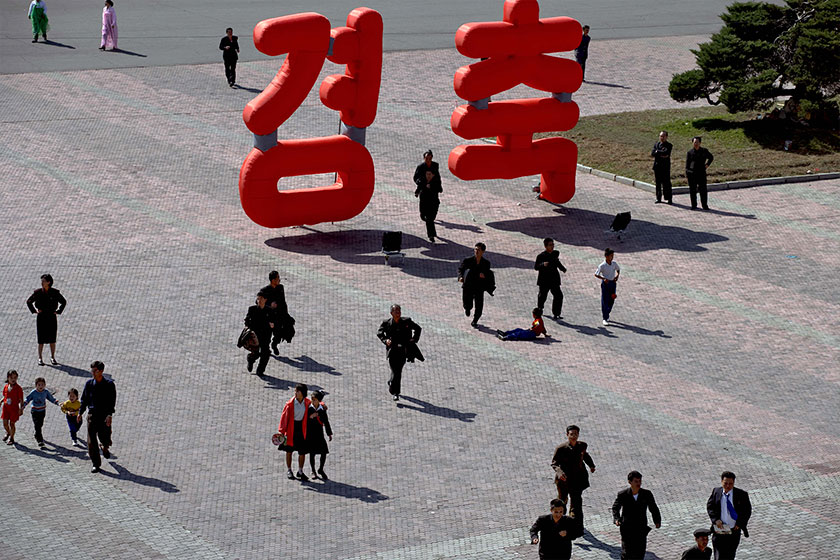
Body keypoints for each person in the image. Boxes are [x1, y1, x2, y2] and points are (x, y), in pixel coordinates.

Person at [551, 424, 596, 538]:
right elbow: (554, 463)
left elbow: (585, 455)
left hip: (577, 480)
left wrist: (591, 465)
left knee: (576, 503)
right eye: (571, 434)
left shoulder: (582, 445)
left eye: (576, 434)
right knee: (562, 501)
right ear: (567, 435)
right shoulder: (561, 449)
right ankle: (559, 523)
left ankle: (577, 527)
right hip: (564, 481)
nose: (574, 436)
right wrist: (560, 473)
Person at [611, 471, 662, 560]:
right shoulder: (623, 494)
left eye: (639, 481)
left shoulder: (646, 494)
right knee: (627, 553)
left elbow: (653, 508)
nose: (638, 484)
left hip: (640, 528)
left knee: (640, 552)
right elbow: (615, 507)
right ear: (630, 482)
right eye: (636, 481)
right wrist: (617, 519)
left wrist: (657, 520)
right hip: (627, 528)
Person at [377, 304, 422, 401]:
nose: (398, 313)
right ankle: (394, 388)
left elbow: (418, 328)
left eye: (399, 311)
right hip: (392, 351)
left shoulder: (406, 321)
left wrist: (414, 339)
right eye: (396, 311)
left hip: (403, 351)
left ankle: (393, 387)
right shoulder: (386, 323)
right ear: (391, 313)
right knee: (395, 371)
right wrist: (386, 340)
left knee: (398, 371)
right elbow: (380, 333)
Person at [78, 361, 117, 473]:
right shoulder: (89, 384)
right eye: (92, 370)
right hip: (92, 415)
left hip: (104, 415)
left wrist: (110, 415)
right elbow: (84, 399)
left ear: (101, 371)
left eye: (95, 371)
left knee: (105, 436)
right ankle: (96, 463)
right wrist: (80, 412)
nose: (93, 373)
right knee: (91, 440)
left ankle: (105, 446)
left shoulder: (109, 385)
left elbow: (112, 401)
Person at [707, 471, 751, 560]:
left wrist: (739, 524)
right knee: (718, 556)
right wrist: (715, 520)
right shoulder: (716, 492)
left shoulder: (741, 494)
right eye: (725, 483)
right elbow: (710, 507)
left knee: (729, 555)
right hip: (719, 530)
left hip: (733, 531)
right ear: (721, 482)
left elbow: (747, 511)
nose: (728, 486)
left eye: (730, 484)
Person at [26, 273, 67, 366]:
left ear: (48, 282)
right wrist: (34, 311)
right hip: (41, 317)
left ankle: (52, 357)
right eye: (42, 281)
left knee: (52, 338)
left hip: (51, 317)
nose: (42, 283)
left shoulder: (55, 293)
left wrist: (58, 311)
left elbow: (63, 302)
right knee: (41, 339)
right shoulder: (38, 292)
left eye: (43, 281)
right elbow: (29, 301)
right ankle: (40, 358)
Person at [278, 383, 311, 480]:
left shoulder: (307, 403)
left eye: (297, 391)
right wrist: (282, 432)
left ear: (303, 393)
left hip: (302, 429)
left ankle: (300, 471)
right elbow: (284, 418)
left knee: (302, 452)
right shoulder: (290, 404)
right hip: (291, 429)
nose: (295, 393)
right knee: (289, 451)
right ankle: (289, 470)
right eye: (295, 391)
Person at [458, 242, 494, 327]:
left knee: (479, 305)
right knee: (467, 302)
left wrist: (484, 276)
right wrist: (460, 277)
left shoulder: (486, 263)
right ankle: (467, 308)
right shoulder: (468, 260)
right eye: (475, 249)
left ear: (483, 252)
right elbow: (461, 270)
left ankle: (475, 320)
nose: (476, 251)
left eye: (478, 250)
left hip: (479, 287)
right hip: (468, 285)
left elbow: (488, 274)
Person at [22, 376, 59, 449]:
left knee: (40, 424)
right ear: (36, 385)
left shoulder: (46, 392)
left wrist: (57, 403)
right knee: (37, 425)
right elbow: (28, 399)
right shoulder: (33, 392)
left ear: (44, 385)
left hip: (42, 411)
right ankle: (40, 440)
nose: (40, 386)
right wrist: (23, 405)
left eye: (42, 385)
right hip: (35, 411)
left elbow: (51, 398)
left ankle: (37, 434)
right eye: (39, 385)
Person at [413, 150, 442, 242]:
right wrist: (422, 183)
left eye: (430, 158)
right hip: (424, 192)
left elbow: (438, 178)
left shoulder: (435, 165)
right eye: (426, 158)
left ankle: (431, 232)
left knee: (432, 215)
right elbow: (415, 178)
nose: (428, 160)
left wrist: (437, 187)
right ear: (424, 158)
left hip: (433, 193)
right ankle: (430, 233)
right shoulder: (420, 167)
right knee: (426, 215)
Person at [534, 237, 567, 319]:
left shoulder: (555, 254)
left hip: (554, 279)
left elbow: (557, 262)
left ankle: (556, 313)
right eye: (550, 245)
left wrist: (563, 269)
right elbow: (536, 267)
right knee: (542, 296)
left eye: (553, 245)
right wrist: (542, 264)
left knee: (558, 296)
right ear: (545, 246)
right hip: (544, 280)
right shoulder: (541, 256)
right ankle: (540, 309)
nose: (552, 246)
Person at [244, 291, 272, 376]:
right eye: (258, 299)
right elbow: (247, 321)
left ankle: (260, 370)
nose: (259, 300)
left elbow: (274, 321)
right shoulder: (252, 309)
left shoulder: (269, 310)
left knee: (266, 353)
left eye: (261, 299)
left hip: (266, 336)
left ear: (265, 300)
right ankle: (250, 359)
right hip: (255, 336)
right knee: (256, 353)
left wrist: (273, 324)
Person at [261, 271, 289, 356]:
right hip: (269, 317)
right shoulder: (265, 290)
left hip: (278, 316)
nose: (279, 279)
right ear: (273, 280)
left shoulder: (280, 288)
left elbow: (283, 302)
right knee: (267, 335)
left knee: (279, 333)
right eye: (277, 278)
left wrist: (285, 314)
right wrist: (269, 305)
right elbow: (258, 302)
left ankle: (274, 345)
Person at [306, 390, 332, 480]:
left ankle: (320, 469)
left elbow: (326, 421)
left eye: (314, 399)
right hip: (311, 434)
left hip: (319, 434)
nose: (312, 401)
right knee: (312, 453)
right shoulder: (309, 408)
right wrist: (310, 417)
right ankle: (313, 470)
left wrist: (329, 433)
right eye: (312, 399)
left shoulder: (322, 410)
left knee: (324, 452)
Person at [686, 136, 714, 210]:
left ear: (700, 143)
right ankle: (694, 205)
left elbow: (711, 157)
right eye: (694, 142)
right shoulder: (690, 153)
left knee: (703, 190)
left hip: (701, 173)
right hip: (692, 174)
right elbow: (687, 165)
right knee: (692, 190)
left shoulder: (704, 151)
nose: (696, 144)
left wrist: (707, 165)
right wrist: (688, 174)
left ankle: (704, 205)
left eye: (697, 142)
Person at [594, 248, 620, 326]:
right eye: (611, 256)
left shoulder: (614, 264)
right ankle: (605, 318)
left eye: (613, 256)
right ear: (606, 256)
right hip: (606, 283)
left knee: (612, 298)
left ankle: (607, 312)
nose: (612, 257)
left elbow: (618, 269)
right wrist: (603, 279)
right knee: (605, 300)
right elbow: (596, 274)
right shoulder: (602, 265)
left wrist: (617, 276)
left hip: (612, 283)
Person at [2, 370, 24, 446]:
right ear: (8, 378)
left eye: (15, 377)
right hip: (6, 408)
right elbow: (5, 396)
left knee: (12, 424)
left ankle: (12, 437)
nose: (13, 379)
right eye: (11, 377)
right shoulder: (6, 386)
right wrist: (1, 401)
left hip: (14, 409)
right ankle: (8, 432)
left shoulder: (18, 388)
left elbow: (21, 399)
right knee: (5, 423)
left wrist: (21, 409)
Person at [651, 131, 673, 204]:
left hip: (665, 168)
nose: (662, 138)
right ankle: (658, 198)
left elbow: (666, 153)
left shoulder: (669, 145)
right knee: (658, 183)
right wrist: (659, 153)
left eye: (663, 136)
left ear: (666, 137)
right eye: (660, 136)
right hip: (657, 167)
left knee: (666, 183)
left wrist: (658, 152)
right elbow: (653, 153)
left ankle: (669, 198)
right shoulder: (656, 144)